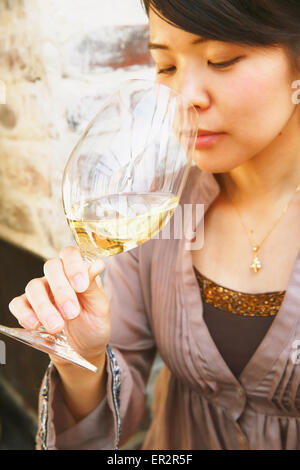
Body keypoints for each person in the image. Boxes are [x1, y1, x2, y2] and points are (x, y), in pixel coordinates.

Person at [8, 0, 300, 450]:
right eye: (165, 65)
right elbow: (106, 424)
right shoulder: (160, 209)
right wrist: (84, 360)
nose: (186, 96)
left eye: (221, 60)